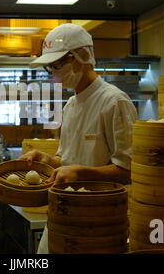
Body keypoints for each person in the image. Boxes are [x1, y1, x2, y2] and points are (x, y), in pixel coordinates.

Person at [19, 23, 138, 253]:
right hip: (63, 214)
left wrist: (82, 174)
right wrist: (46, 159)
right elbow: (66, 161)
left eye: (58, 64)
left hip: (99, 222)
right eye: (50, 68)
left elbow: (129, 170)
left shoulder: (114, 101)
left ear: (82, 57)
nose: (54, 72)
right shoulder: (71, 105)